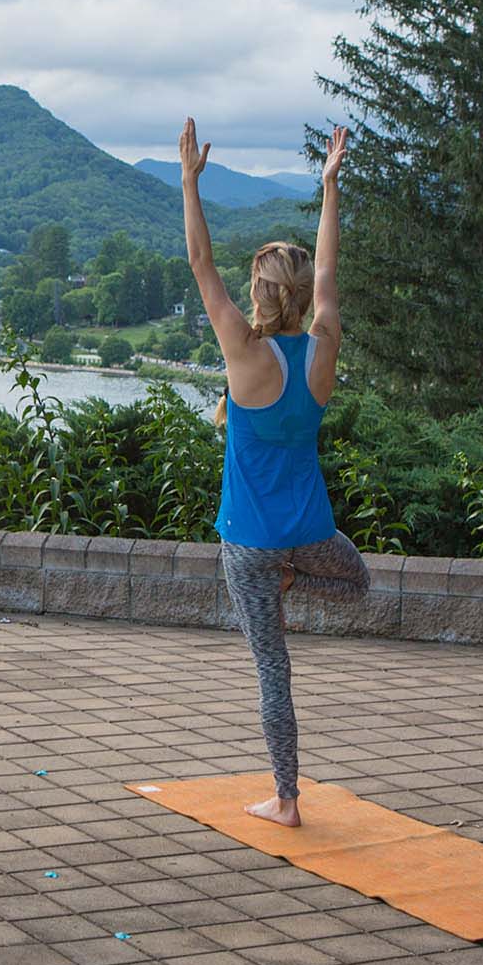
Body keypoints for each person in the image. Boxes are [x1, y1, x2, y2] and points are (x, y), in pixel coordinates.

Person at [178, 120, 370, 829]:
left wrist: (191, 181)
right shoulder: (321, 348)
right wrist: (329, 185)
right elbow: (328, 275)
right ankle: (299, 580)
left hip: (250, 544)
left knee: (272, 669)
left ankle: (286, 799)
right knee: (358, 583)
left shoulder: (244, 354)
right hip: (310, 531)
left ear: (259, 292)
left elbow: (200, 262)